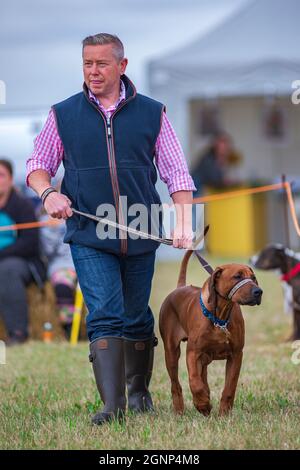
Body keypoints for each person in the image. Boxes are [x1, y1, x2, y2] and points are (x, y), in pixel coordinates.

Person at [26, 33, 196, 425]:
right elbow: (38, 164)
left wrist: (184, 222)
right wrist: (48, 192)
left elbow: (177, 173)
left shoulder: (153, 112)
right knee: (104, 312)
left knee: (136, 315)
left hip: (142, 229)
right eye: (87, 63)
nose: (93, 71)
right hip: (88, 231)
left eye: (101, 63)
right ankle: (112, 405)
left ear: (122, 65)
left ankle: (138, 394)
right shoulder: (63, 114)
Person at [0, 159, 47, 345]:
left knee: (6, 270)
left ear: (11, 179)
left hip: (22, 263)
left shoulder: (23, 206)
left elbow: (30, 244)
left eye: (1, 175)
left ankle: (18, 333)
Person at [191, 131, 241, 196]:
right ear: (216, 145)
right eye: (222, 143)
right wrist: (226, 182)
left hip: (200, 191)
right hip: (195, 192)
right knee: (197, 205)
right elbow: (215, 180)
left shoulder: (220, 159)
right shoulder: (208, 159)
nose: (225, 148)